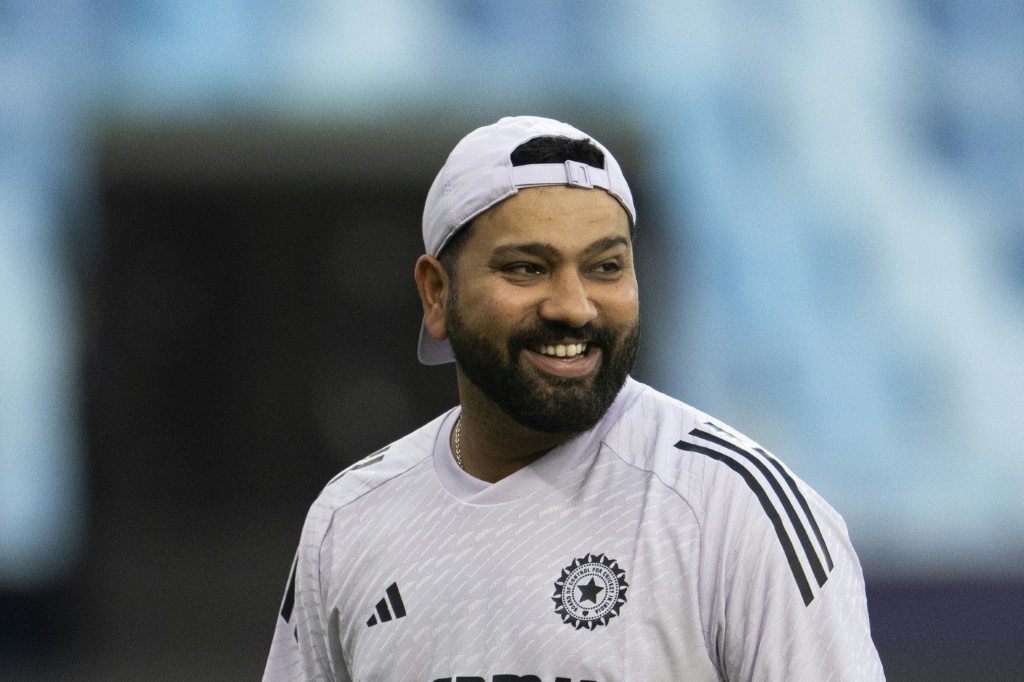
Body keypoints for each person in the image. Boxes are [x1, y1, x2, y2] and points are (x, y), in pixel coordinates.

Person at [263, 116, 885, 681]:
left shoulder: (734, 511)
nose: (574, 306)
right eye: (527, 268)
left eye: (605, 268)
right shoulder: (350, 520)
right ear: (435, 295)